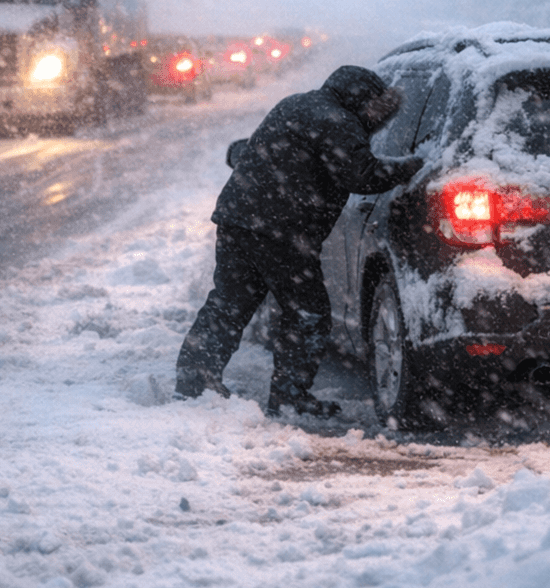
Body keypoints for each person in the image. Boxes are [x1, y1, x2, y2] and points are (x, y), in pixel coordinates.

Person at [174, 65, 424, 416]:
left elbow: (262, 152)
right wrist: (412, 167)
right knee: (308, 313)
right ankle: (290, 397)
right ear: (363, 102)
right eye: (375, 114)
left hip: (238, 220)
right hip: (283, 232)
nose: (375, 122)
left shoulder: (296, 105)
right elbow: (361, 174)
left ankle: (193, 383)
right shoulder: (339, 122)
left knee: (229, 304)